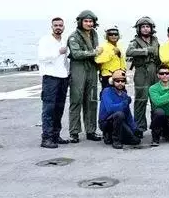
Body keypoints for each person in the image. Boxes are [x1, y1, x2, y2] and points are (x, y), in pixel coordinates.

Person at [67, 10, 103, 143]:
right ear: (80, 22)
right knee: (76, 100)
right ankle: (74, 132)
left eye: (91, 21)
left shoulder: (94, 34)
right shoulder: (74, 36)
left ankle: (91, 130)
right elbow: (76, 54)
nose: (88, 23)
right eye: (86, 21)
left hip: (92, 69)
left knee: (91, 101)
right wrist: (94, 52)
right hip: (78, 69)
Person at [38, 17, 70, 148]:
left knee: (59, 107)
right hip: (50, 78)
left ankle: (56, 135)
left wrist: (69, 73)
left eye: (60, 25)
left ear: (63, 27)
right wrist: (57, 52)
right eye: (56, 25)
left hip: (63, 77)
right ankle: (46, 138)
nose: (58, 27)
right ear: (52, 26)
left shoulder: (64, 40)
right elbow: (42, 57)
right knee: (49, 108)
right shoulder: (45, 40)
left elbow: (66, 59)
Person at [125, 16, 160, 137]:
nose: (145, 29)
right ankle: (139, 127)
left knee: (156, 100)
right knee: (141, 99)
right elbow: (129, 52)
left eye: (147, 26)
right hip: (141, 71)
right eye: (143, 27)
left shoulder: (155, 40)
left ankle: (157, 127)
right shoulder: (135, 41)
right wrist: (145, 51)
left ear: (151, 28)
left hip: (154, 71)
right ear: (139, 29)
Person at [98, 70, 140, 149]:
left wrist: (134, 129)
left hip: (119, 121)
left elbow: (128, 114)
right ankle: (115, 140)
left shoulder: (124, 95)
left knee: (135, 141)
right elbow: (110, 109)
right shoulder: (106, 91)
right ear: (112, 82)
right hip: (106, 122)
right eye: (117, 81)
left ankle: (113, 136)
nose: (120, 83)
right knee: (119, 114)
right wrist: (125, 103)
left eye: (122, 81)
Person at [95, 26, 127, 90]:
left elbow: (123, 60)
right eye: (110, 34)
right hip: (108, 75)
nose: (113, 36)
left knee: (121, 95)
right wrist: (113, 53)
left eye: (115, 34)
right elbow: (98, 60)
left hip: (120, 75)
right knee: (108, 95)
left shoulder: (120, 45)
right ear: (107, 36)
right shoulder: (102, 46)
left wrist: (124, 70)